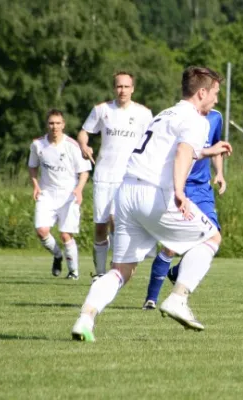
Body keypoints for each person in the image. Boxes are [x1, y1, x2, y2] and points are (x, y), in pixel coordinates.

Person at [71, 66, 232, 342]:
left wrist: (207, 151)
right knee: (212, 238)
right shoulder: (196, 119)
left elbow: (174, 151)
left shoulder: (165, 114)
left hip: (126, 193)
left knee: (121, 270)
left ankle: (85, 318)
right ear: (202, 92)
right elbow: (182, 152)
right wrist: (179, 191)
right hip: (153, 194)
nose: (216, 100)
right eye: (215, 93)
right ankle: (178, 298)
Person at [142, 109, 226, 310]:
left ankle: (176, 272)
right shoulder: (180, 116)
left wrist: (220, 173)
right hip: (179, 185)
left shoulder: (216, 117)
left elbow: (215, 148)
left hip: (202, 188)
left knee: (212, 235)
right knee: (171, 246)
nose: (215, 97)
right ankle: (151, 299)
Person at [77, 71, 153, 282]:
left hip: (128, 177)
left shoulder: (144, 114)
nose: (123, 90)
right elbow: (84, 132)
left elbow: (153, 141)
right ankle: (99, 272)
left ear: (133, 89)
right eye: (119, 86)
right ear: (114, 88)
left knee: (116, 220)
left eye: (127, 87)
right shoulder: (102, 110)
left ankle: (116, 267)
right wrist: (84, 145)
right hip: (103, 175)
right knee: (101, 225)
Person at [28, 109, 92, 280]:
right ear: (47, 125)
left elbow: (84, 171)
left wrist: (79, 190)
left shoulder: (72, 145)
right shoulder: (37, 145)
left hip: (68, 195)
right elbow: (32, 166)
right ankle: (57, 255)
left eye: (57, 123)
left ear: (63, 125)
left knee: (65, 235)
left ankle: (73, 272)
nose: (54, 126)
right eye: (51, 123)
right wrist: (35, 185)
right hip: (47, 193)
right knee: (41, 231)